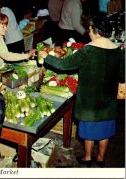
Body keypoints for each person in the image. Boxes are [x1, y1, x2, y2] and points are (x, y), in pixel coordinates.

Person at [39, 15, 125, 168]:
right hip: (108, 101)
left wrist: (47, 57)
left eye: (89, 30)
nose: (88, 33)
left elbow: (64, 65)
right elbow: (122, 75)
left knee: (90, 131)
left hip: (89, 102)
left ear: (95, 30)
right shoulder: (118, 51)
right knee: (105, 131)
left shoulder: (88, 50)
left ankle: (87, 157)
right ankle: (100, 158)